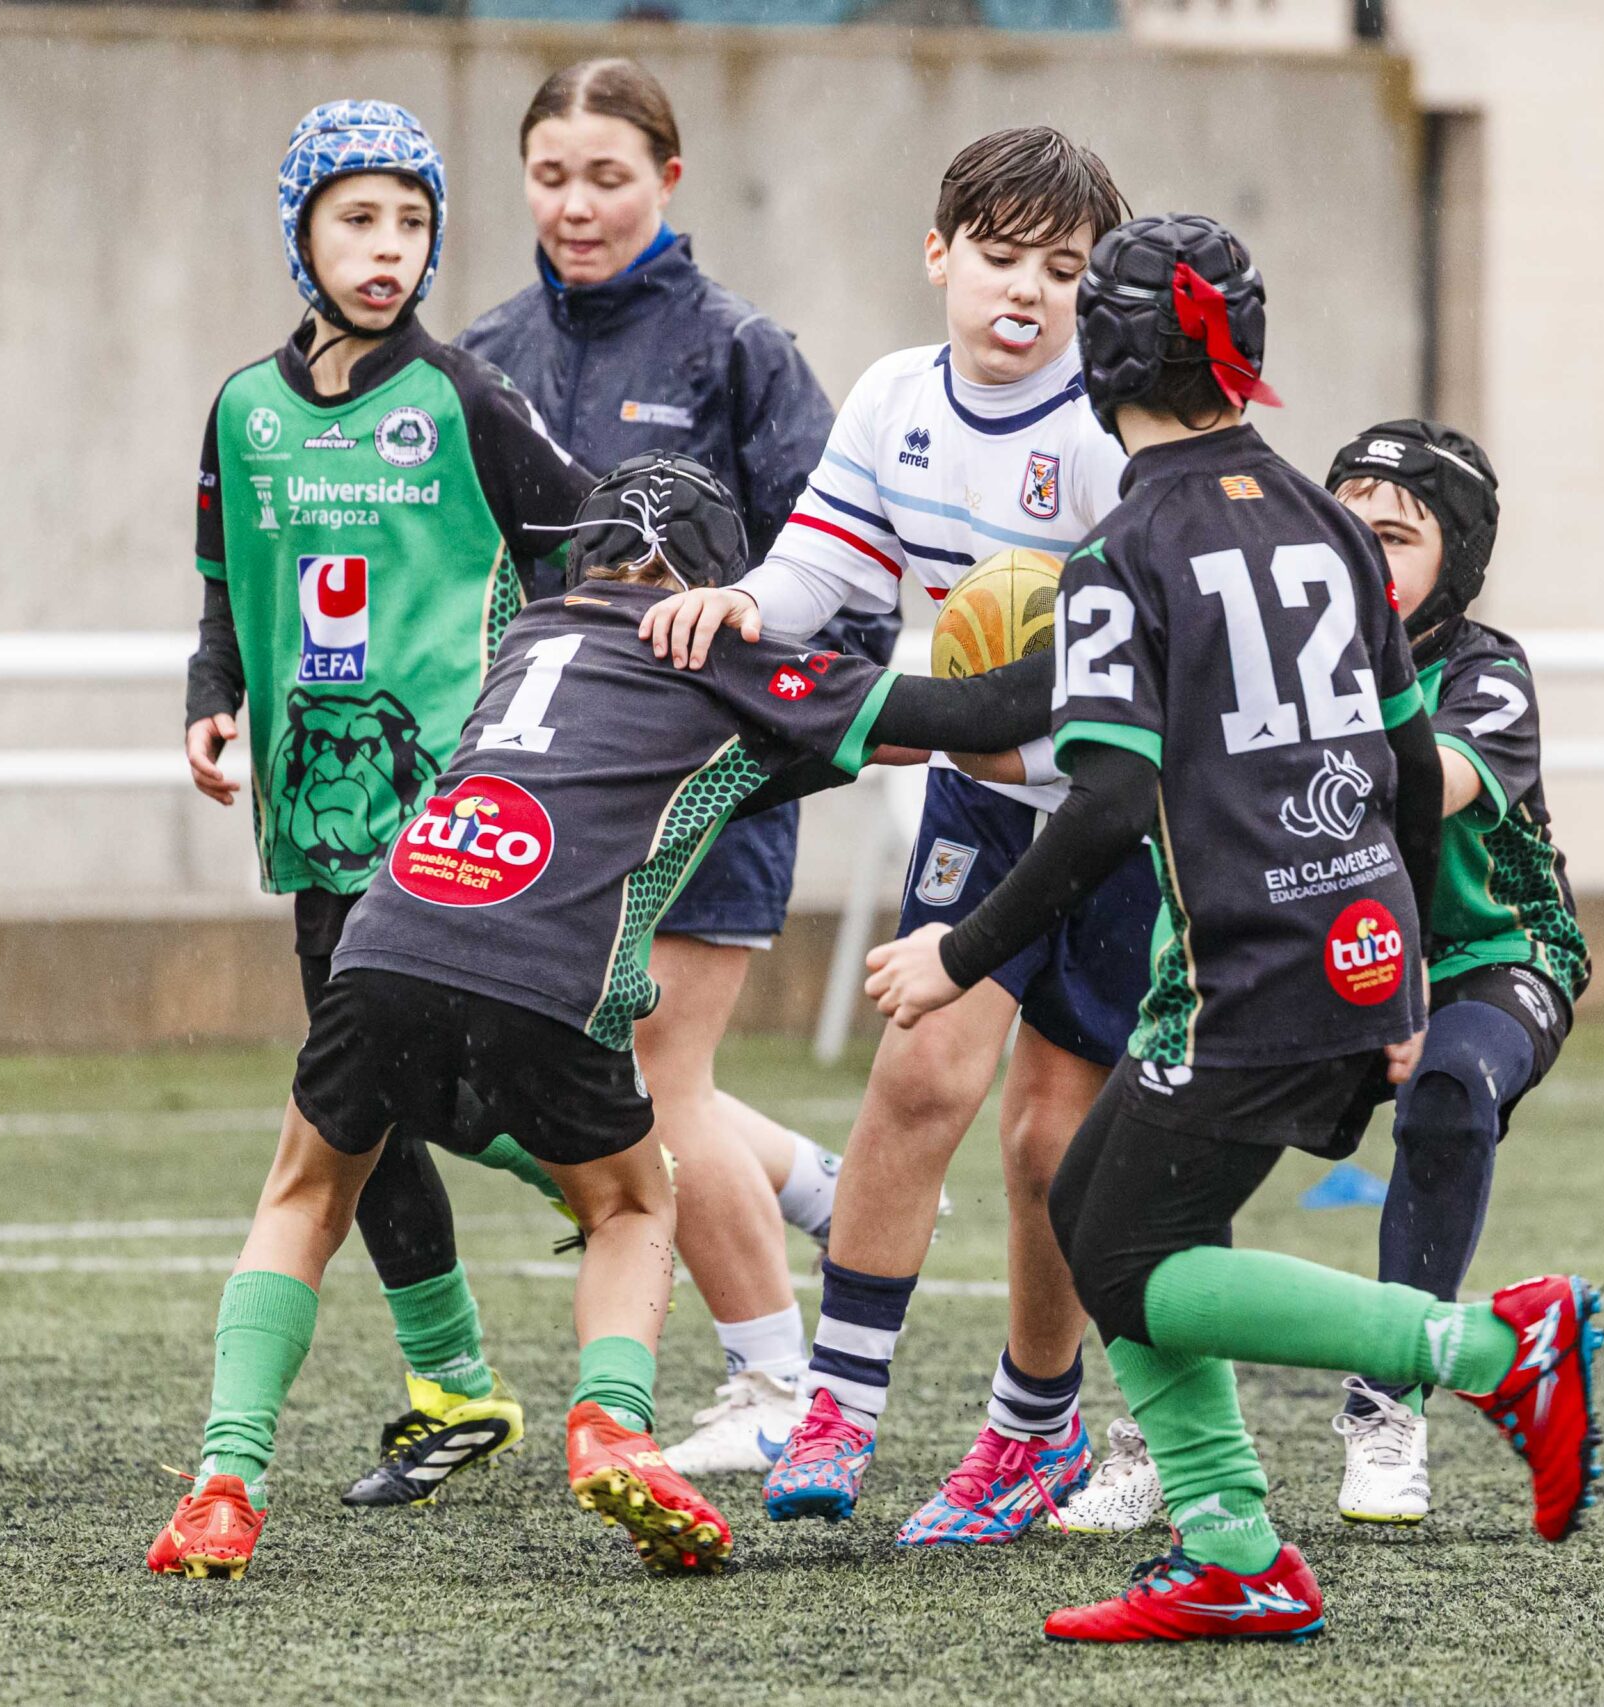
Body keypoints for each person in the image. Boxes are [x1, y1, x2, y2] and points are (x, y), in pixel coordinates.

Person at [862, 214, 1604, 1644]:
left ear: (1103, 360)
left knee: (1123, 1249)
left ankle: (1486, 1350)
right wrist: (1399, 975)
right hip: (1345, 950)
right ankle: (1233, 1551)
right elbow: (1403, 777)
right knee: (1102, 1218)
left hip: (1246, 966)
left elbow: (1102, 802)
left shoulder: (1128, 545)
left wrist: (957, 952)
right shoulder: (1323, 524)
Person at [149, 452, 1059, 1583]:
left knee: (301, 1197)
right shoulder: (722, 650)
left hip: (387, 939)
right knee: (632, 1204)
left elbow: (669, 761)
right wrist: (1112, 642)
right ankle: (613, 1425)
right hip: (551, 974)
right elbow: (972, 716)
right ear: (721, 581)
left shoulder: (530, 633)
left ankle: (224, 1486)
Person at [641, 127, 1138, 1545]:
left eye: (1063, 268)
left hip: (1116, 822)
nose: (1025, 291)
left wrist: (964, 729)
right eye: (999, 256)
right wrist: (746, 604)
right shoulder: (893, 396)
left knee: (1048, 1145)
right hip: (983, 801)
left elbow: (1116, 680)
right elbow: (824, 564)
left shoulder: (1109, 432)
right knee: (916, 1077)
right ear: (938, 255)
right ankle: (840, 1403)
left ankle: (1033, 1430)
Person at [450, 56, 895, 1477]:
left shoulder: (738, 351)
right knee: (546, 1071)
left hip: (706, 782)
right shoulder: (482, 355)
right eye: (550, 177)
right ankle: (813, 1180)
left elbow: (847, 573)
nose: (575, 205)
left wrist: (773, 729)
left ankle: (775, 1381)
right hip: (546, 794)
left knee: (652, 1073)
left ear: (669, 178)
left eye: (608, 177)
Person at [1051, 419, 1594, 1537]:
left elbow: (1412, 791)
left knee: (1448, 1088)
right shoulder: (1258, 641)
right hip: (1319, 956)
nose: (1363, 547)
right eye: (1348, 521)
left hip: (1484, 957)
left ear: (1459, 563)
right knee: (1161, 1171)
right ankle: (1173, 1445)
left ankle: (1391, 1405)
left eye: (1397, 535)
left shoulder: (1485, 672)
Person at [180, 101, 594, 1514]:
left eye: (412, 222)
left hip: (455, 822)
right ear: (298, 233)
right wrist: (213, 693)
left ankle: (623, 1183)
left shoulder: (467, 399)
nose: (388, 248)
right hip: (314, 818)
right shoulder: (244, 411)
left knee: (385, 1091)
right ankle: (460, 1381)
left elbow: (591, 547)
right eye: (358, 218)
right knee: (374, 1107)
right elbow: (225, 589)